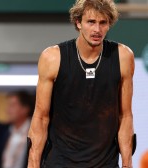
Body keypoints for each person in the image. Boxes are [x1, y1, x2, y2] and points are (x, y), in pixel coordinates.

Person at [28, 0, 135, 167]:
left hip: (104, 162)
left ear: (109, 25)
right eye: (91, 22)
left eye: (103, 23)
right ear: (78, 23)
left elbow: (125, 116)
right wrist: (33, 164)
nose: (97, 30)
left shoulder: (123, 56)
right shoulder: (53, 57)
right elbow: (41, 117)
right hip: (60, 161)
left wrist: (128, 164)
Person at [2, 90, 34, 168]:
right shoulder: (3, 132)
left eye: (12, 105)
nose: (8, 110)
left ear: (25, 109)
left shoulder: (34, 132)